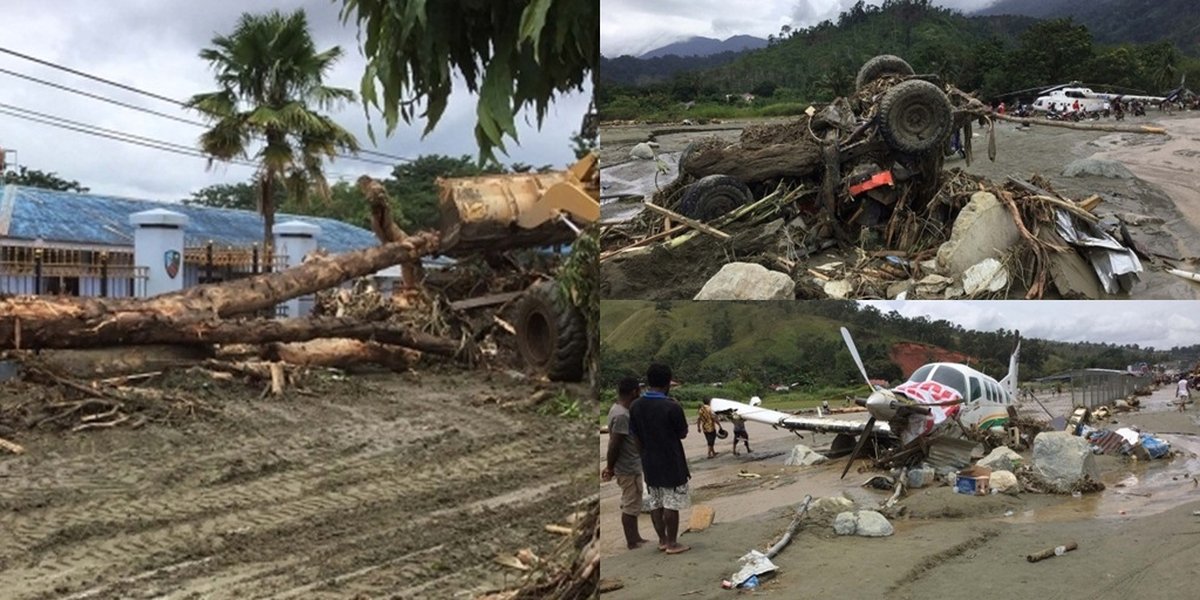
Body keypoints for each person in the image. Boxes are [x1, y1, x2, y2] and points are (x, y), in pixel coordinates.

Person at [629, 363, 691, 555]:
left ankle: (663, 540)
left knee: (656, 501)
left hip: (649, 460)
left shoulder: (635, 406)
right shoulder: (671, 406)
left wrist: (644, 456)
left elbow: (635, 436)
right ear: (668, 382)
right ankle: (673, 543)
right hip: (671, 460)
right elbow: (682, 433)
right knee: (671, 503)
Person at [602, 376, 650, 550]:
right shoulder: (621, 415)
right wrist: (610, 467)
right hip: (627, 466)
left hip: (630, 464)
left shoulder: (618, 409)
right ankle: (632, 541)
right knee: (630, 503)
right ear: (634, 392)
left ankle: (636, 537)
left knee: (634, 501)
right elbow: (615, 443)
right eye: (639, 390)